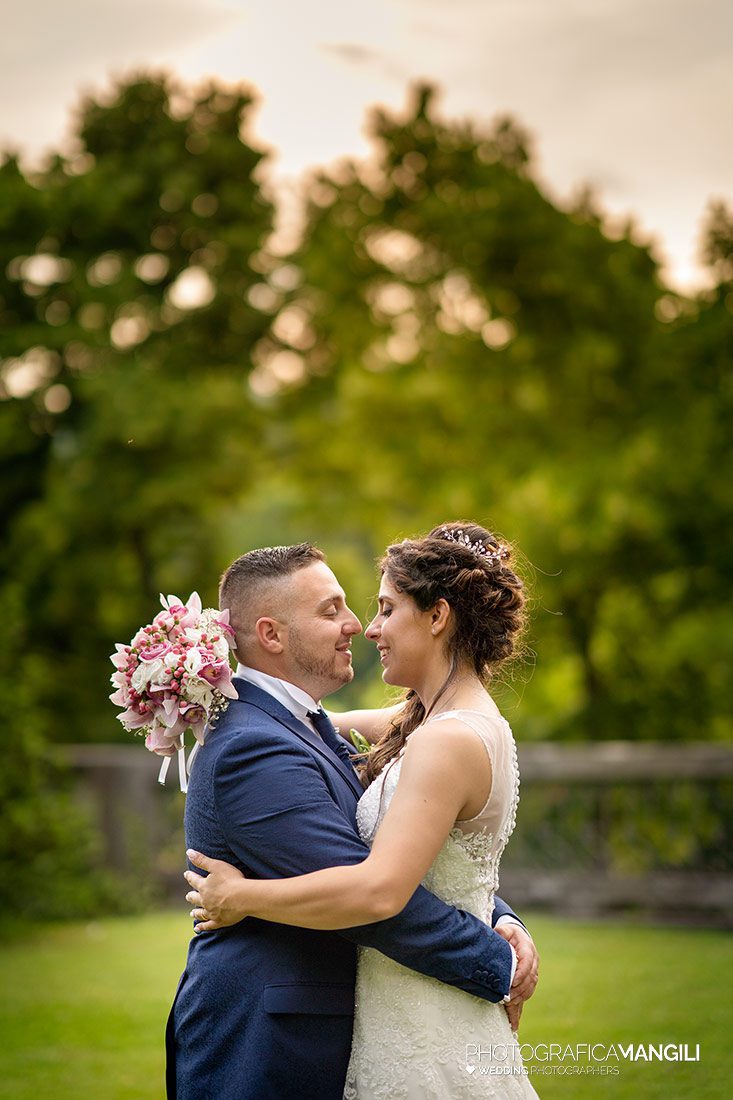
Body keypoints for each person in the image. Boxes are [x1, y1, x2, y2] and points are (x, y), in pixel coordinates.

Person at [168, 532, 539, 1100]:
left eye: (382, 608)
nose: (360, 626)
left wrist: (498, 921)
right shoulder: (257, 746)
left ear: (438, 616)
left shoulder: (413, 728)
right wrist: (498, 958)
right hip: (267, 1045)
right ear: (270, 633)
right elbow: (376, 901)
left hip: (404, 1017)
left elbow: (390, 873)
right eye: (331, 609)